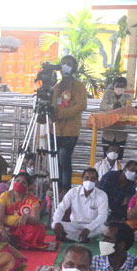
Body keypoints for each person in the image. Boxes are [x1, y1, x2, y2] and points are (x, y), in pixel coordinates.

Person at [54, 55, 89, 193]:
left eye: (68, 64)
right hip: (56, 129)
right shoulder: (57, 86)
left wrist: (62, 113)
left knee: (64, 157)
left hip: (71, 130)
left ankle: (65, 189)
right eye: (63, 63)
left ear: (73, 68)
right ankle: (55, 187)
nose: (65, 66)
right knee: (55, 158)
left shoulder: (79, 86)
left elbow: (81, 105)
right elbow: (53, 104)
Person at [52, 167, 110, 242]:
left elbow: (102, 216)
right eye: (86, 178)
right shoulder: (73, 192)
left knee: (103, 228)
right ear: (82, 179)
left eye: (92, 179)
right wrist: (57, 222)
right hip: (75, 225)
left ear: (96, 181)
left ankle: (71, 237)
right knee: (54, 224)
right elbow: (61, 208)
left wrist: (88, 229)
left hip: (91, 226)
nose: (89, 181)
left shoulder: (102, 195)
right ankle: (83, 238)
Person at [0, 171, 48, 249]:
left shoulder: (32, 200)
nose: (19, 184)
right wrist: (2, 230)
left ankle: (14, 240)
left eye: (23, 183)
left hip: (22, 229)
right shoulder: (5, 196)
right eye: (18, 181)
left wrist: (27, 217)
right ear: (14, 181)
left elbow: (36, 219)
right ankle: (12, 240)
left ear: (28, 186)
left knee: (38, 230)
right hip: (5, 227)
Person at [98, 76, 131, 159]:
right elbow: (102, 106)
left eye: (122, 86)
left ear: (125, 87)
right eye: (117, 86)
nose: (119, 88)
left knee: (119, 158)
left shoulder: (128, 97)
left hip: (121, 133)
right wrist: (113, 106)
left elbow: (128, 110)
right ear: (113, 85)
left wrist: (121, 107)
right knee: (106, 158)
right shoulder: (107, 94)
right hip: (107, 133)